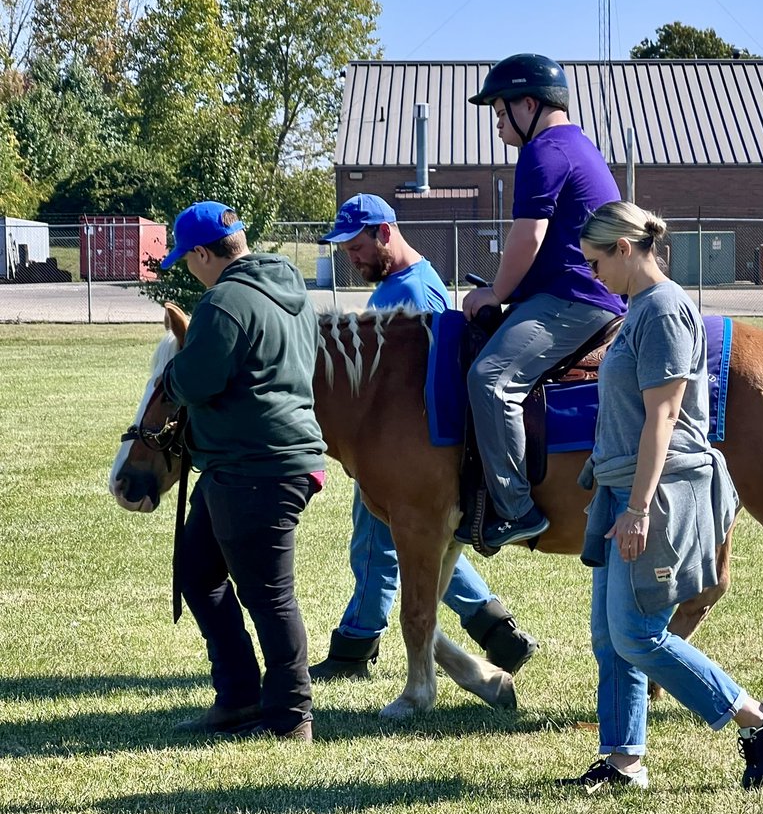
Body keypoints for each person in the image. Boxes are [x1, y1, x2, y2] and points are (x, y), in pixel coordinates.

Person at [561, 200, 763, 793]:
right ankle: (622, 761)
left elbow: (663, 418)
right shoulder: (639, 308)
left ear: (623, 248)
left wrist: (639, 509)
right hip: (622, 489)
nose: (594, 276)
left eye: (595, 262)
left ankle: (761, 720)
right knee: (611, 636)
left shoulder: (663, 310)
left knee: (638, 635)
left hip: (660, 496)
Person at [308, 194, 539, 679]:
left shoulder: (411, 294)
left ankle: (355, 645)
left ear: (385, 233)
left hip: (398, 447)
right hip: (391, 443)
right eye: (346, 250)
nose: (352, 258)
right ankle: (496, 629)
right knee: (421, 540)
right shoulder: (405, 283)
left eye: (357, 247)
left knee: (381, 544)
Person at [162, 201, 326, 741]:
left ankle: (289, 715)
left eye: (188, 258)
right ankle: (238, 696)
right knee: (197, 571)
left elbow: (194, 380)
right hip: (256, 462)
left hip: (255, 465)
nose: (189, 269)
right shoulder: (291, 290)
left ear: (206, 254)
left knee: (269, 596)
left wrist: (175, 371)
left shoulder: (224, 302)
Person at [459, 54, 626, 550]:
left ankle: (515, 510)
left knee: (489, 381)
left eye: (500, 109)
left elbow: (527, 237)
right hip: (578, 293)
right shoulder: (578, 146)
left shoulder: (542, 152)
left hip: (573, 299)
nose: (496, 121)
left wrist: (496, 292)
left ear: (529, 104)